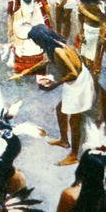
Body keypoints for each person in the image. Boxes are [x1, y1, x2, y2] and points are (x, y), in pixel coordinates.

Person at [28, 24, 95, 166]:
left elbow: (73, 73)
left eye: (36, 42)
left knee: (74, 121)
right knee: (60, 110)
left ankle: (74, 155)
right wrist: (27, 71)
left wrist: (55, 84)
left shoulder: (58, 50)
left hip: (79, 83)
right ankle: (64, 141)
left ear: (41, 40)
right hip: (75, 82)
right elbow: (48, 61)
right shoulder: (55, 44)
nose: (36, 44)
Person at [7, 0, 52, 78]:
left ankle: (39, 73)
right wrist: (10, 31)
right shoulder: (14, 1)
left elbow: (48, 16)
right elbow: (10, 17)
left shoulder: (41, 1)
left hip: (36, 27)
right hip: (21, 30)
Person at [74, 0, 105, 72]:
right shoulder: (82, 4)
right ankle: (84, 70)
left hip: (97, 34)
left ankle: (92, 76)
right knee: (83, 55)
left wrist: (85, 12)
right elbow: (80, 19)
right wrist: (81, 32)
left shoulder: (100, 6)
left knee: (93, 59)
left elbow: (102, 21)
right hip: (86, 32)